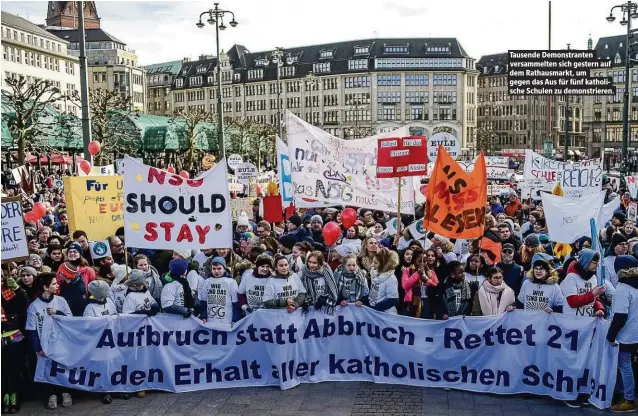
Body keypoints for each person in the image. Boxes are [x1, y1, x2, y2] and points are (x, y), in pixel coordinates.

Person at [25, 273, 73, 410]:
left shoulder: (61, 301)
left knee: (62, 368)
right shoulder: (34, 307)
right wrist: (37, 347)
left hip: (61, 343)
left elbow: (71, 320)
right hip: (44, 346)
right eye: (54, 283)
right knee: (48, 370)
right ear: (46, 287)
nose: (57, 285)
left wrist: (58, 312)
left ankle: (65, 392)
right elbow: (31, 329)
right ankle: (51, 395)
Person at [608, 255, 638, 413]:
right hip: (636, 332)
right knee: (630, 365)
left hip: (626, 335)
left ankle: (629, 399)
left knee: (624, 365)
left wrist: (611, 336)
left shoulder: (623, 288)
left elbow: (620, 316)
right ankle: (624, 392)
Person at [1, 272, 29, 414]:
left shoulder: (8, 293)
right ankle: (5, 401)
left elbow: (25, 304)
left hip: (14, 335)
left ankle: (15, 399)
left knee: (15, 369)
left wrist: (17, 288)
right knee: (3, 373)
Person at [560, 249, 606, 319]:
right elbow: (573, 302)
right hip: (572, 320)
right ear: (586, 261)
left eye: (597, 263)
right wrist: (593, 294)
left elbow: (596, 299)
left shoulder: (593, 277)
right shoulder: (571, 277)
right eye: (595, 262)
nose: (597, 265)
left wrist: (599, 309)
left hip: (588, 320)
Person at [198, 257, 240, 325]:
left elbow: (235, 303)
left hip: (227, 321)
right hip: (210, 321)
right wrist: (203, 316)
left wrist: (234, 320)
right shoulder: (207, 282)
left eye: (219, 268)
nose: (216, 271)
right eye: (214, 269)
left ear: (224, 269)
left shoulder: (231, 282)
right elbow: (203, 302)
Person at [401, 248, 441, 319]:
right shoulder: (407, 271)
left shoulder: (432, 273)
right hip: (411, 306)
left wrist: (427, 280)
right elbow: (405, 286)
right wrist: (417, 274)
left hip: (428, 306)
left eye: (425, 261)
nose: (423, 263)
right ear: (414, 260)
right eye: (420, 261)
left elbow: (438, 289)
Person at [367, 248, 400, 314]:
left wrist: (376, 308)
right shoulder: (374, 273)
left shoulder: (391, 279)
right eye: (373, 261)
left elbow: (393, 300)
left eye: (375, 263)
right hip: (374, 312)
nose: (372, 265)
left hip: (386, 314)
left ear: (384, 264)